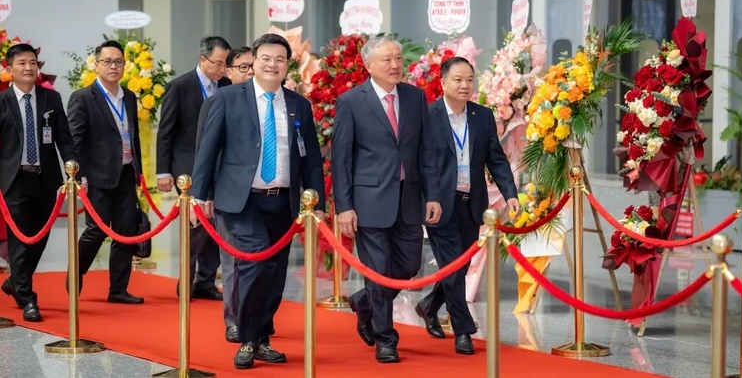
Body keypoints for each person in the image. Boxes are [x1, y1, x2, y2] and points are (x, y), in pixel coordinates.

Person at [191, 33, 325, 369]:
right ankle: (248, 339)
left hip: (283, 203)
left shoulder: (298, 105)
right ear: (254, 60)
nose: (272, 64)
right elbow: (208, 150)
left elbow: (309, 158)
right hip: (241, 201)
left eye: (280, 59)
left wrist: (316, 200)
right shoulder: (229, 99)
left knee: (276, 273)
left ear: (287, 65)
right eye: (265, 58)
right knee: (254, 264)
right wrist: (199, 196)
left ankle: (262, 336)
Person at [331, 35, 441, 364]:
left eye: (397, 58)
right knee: (378, 270)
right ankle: (386, 339)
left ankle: (364, 302)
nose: (395, 65)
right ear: (368, 65)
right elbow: (341, 159)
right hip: (369, 201)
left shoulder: (414, 96)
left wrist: (432, 194)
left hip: (409, 199)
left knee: (408, 267)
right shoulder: (352, 101)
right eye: (387, 60)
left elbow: (426, 150)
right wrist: (344, 205)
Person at [415, 56, 520, 354]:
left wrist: (510, 193)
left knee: (457, 268)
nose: (464, 85)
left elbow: (496, 160)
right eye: (458, 80)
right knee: (452, 266)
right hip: (438, 204)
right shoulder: (427, 115)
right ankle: (463, 330)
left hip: (471, 203)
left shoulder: (482, 116)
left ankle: (429, 304)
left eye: (469, 80)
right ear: (443, 82)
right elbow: (420, 163)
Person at [0, 44, 77, 321]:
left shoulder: (50, 99)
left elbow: (64, 139)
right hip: (14, 180)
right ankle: (28, 298)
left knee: (39, 239)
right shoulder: (3, 101)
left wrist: (73, 173)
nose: (29, 68)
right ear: (10, 70)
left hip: (46, 179)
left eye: (32, 62)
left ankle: (14, 283)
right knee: (20, 242)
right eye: (22, 63)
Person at [67, 40, 144, 304]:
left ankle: (118, 289)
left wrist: (139, 172)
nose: (113, 66)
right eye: (108, 61)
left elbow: (133, 138)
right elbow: (75, 142)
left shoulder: (130, 97)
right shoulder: (83, 98)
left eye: (118, 61)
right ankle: (75, 276)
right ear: (97, 65)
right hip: (97, 177)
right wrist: (80, 177)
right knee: (95, 231)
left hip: (125, 173)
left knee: (125, 231)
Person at [157, 36, 232, 301]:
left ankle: (207, 280)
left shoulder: (226, 86)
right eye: (218, 63)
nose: (223, 70)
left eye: (226, 64)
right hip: (187, 167)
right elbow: (166, 131)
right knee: (196, 227)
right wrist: (163, 171)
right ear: (203, 60)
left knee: (215, 225)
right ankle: (186, 281)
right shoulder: (180, 86)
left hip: (218, 167)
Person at [195, 46, 254, 343]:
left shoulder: (269, 101)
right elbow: (206, 151)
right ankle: (233, 319)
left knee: (259, 263)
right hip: (227, 195)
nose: (250, 72)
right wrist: (205, 192)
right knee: (232, 263)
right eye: (242, 67)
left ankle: (256, 318)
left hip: (262, 196)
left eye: (252, 66)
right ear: (228, 72)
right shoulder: (219, 100)